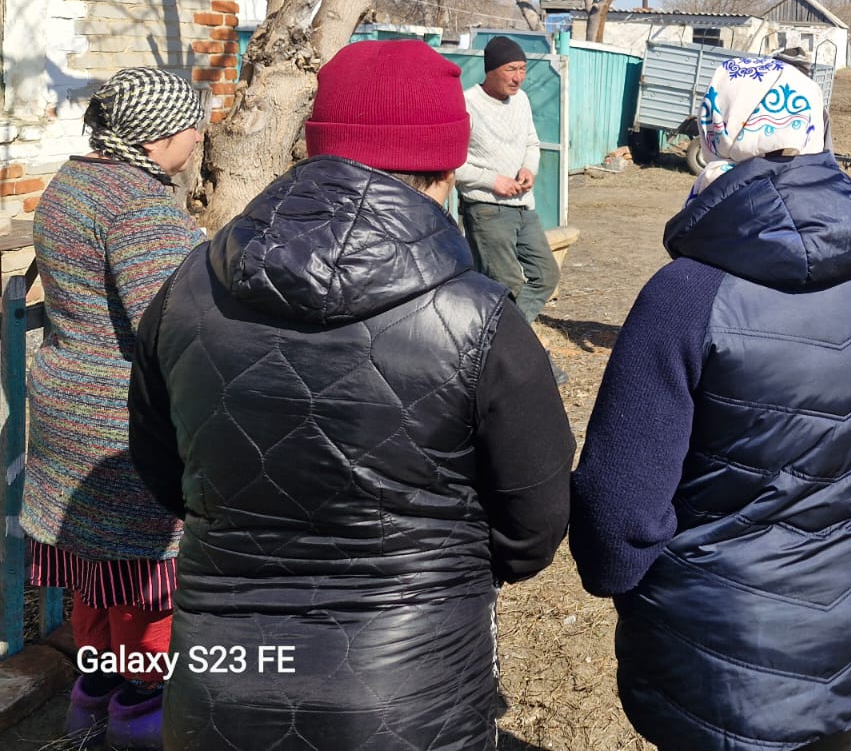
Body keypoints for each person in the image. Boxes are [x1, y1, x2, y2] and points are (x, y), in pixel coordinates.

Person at [128, 39, 574, 751]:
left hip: (219, 685)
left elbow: (161, 468)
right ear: (449, 160)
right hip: (411, 690)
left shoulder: (188, 286)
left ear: (315, 145)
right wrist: (450, 566)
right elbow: (537, 516)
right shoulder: (480, 316)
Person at [570, 57, 851, 751]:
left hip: (716, 644)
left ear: (710, 139)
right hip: (850, 622)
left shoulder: (684, 294)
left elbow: (618, 504)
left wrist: (623, 581)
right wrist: (839, 507)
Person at [19, 66, 208, 748]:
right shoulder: (138, 206)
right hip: (124, 425)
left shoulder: (71, 182)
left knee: (98, 580)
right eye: (194, 126)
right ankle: (139, 720)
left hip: (69, 405)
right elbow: (175, 324)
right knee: (146, 583)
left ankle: (88, 702)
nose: (198, 138)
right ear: (161, 137)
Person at [456, 35, 564, 380]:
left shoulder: (522, 100)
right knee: (504, 285)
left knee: (546, 275)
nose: (518, 77)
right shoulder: (466, 104)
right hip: (487, 209)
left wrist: (528, 168)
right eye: (511, 69)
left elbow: (532, 142)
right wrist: (492, 180)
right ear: (491, 70)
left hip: (522, 206)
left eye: (523, 69)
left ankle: (506, 348)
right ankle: (520, 362)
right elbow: (451, 163)